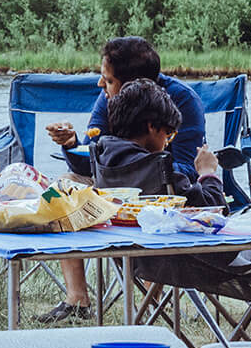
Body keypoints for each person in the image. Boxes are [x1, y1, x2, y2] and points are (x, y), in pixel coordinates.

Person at [38, 36, 216, 323]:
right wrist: (71, 144)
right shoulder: (109, 98)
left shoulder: (183, 101)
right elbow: (93, 156)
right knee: (65, 186)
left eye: (107, 80)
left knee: (160, 192)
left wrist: (141, 161)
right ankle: (77, 299)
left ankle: (148, 304)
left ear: (133, 84)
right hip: (115, 190)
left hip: (164, 194)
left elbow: (187, 167)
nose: (100, 85)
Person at [90, 79, 225, 208]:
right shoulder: (159, 168)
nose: (166, 143)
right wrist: (207, 172)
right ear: (152, 127)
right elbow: (215, 207)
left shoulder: (100, 154)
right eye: (168, 133)